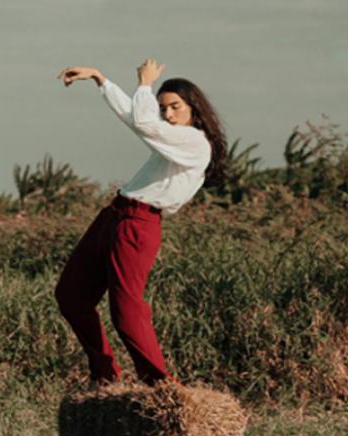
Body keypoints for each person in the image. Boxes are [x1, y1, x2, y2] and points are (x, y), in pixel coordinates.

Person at [54, 59, 227, 388]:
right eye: (164, 109)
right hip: (113, 215)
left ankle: (162, 387)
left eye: (175, 107)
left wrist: (145, 83)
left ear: (195, 109)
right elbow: (139, 121)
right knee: (70, 295)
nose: (169, 115)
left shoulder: (194, 142)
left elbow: (145, 122)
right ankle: (104, 375)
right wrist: (101, 79)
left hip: (139, 224)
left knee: (126, 313)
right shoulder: (168, 136)